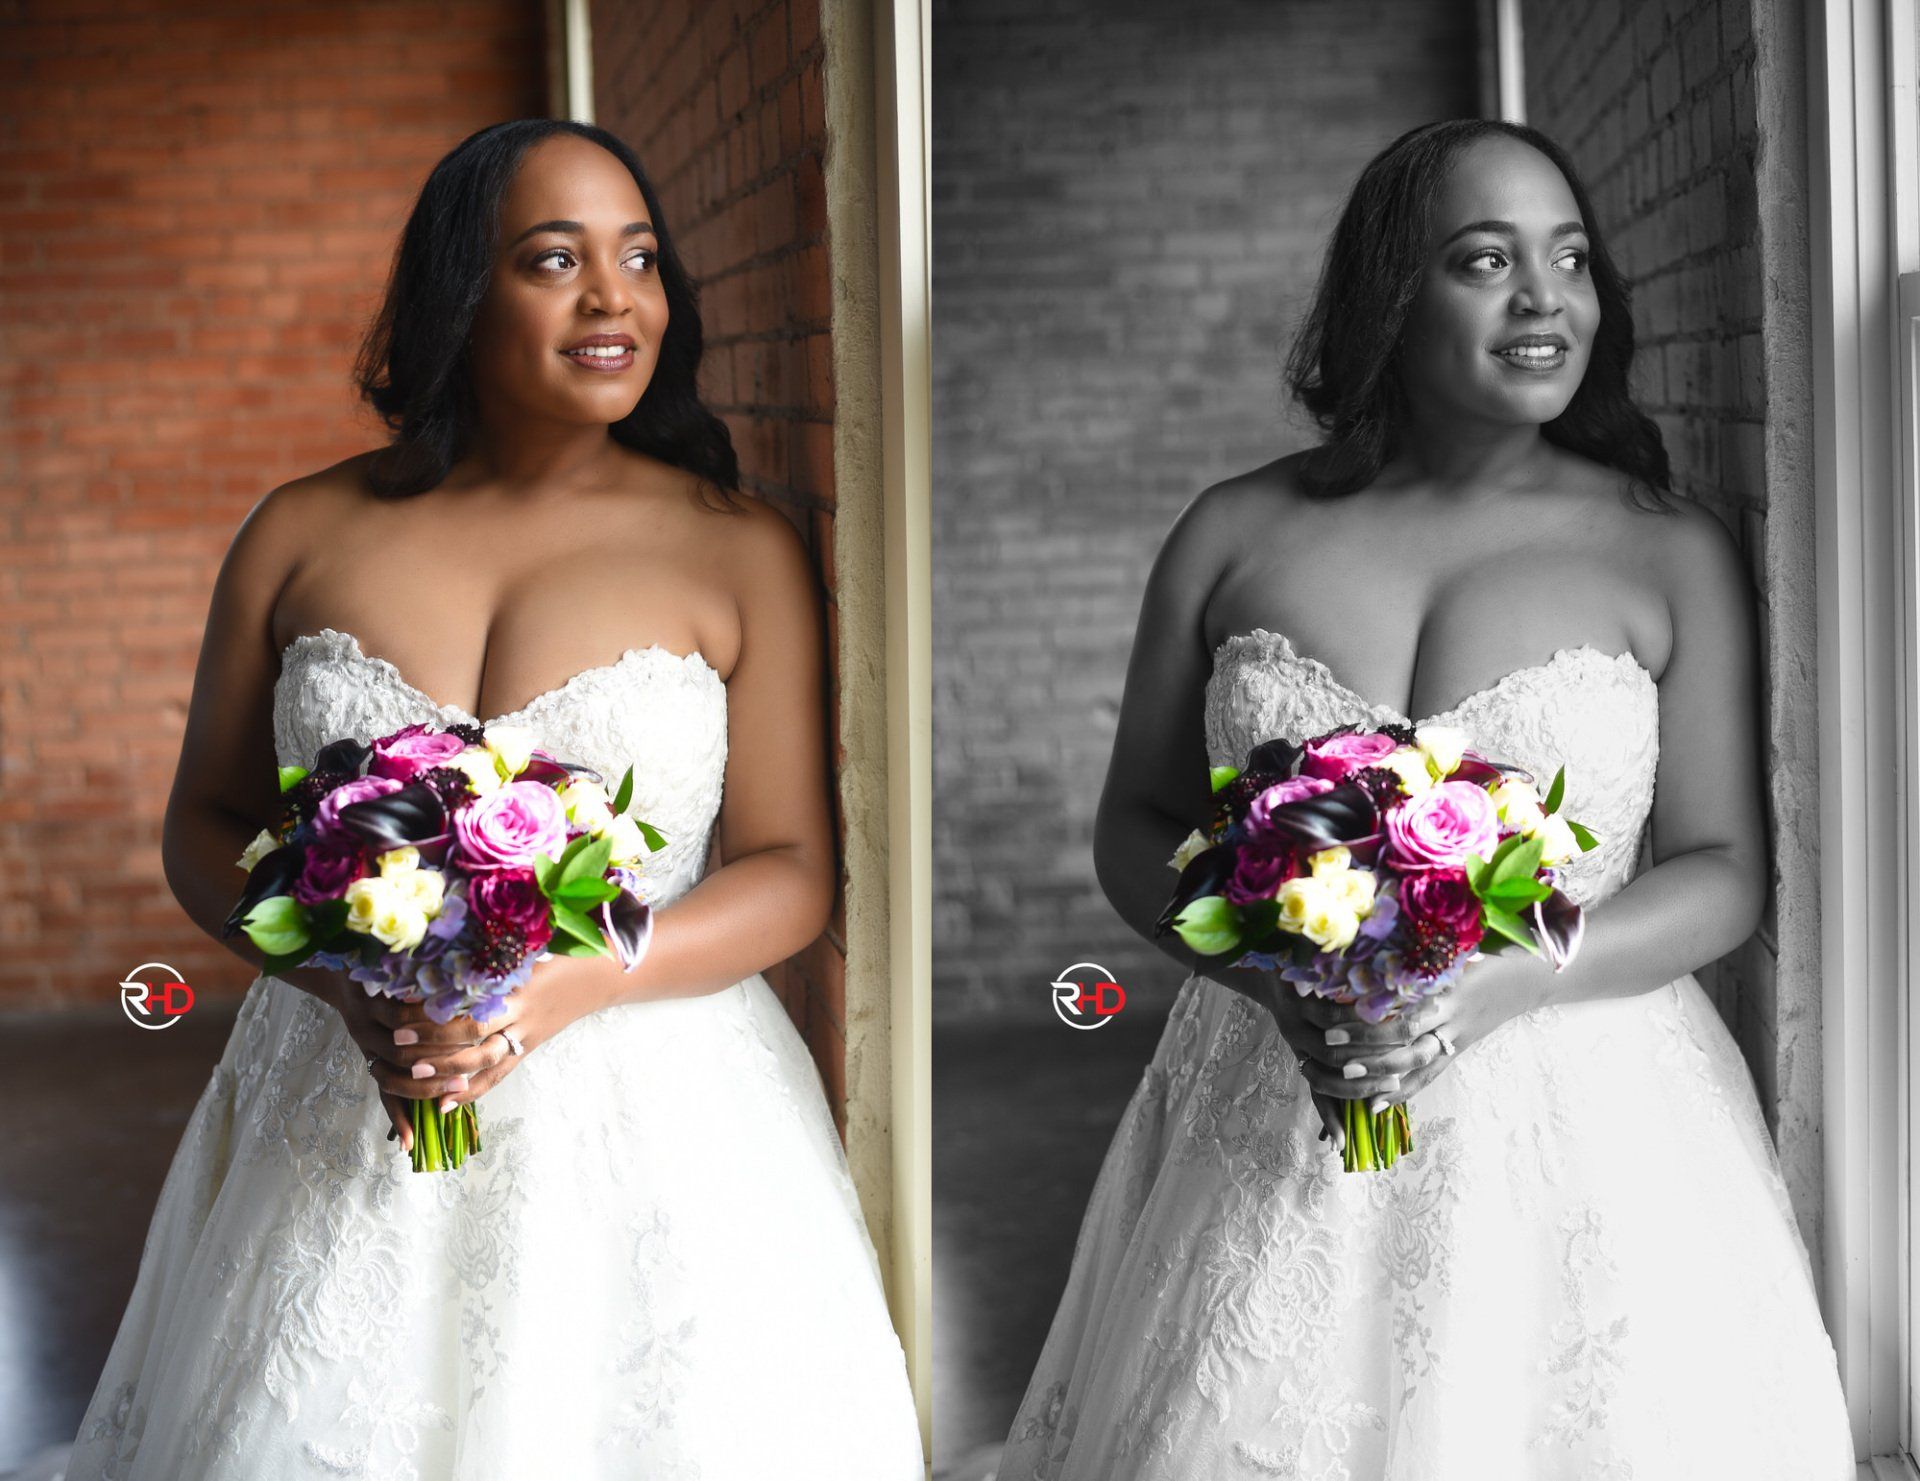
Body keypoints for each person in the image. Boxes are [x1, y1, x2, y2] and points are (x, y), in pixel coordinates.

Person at [56, 119, 924, 1481]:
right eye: (554, 259)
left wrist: (588, 966)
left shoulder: (736, 544)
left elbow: (789, 866)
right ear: (464, 290)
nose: (614, 298)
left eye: (639, 258)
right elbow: (204, 822)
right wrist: (342, 980)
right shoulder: (299, 532)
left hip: (658, 1115)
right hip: (344, 1081)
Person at [995, 120, 1856, 1480]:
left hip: (1589, 1108)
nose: (1545, 299)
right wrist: (1265, 963)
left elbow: (1720, 866)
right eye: (1485, 260)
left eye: (1570, 259)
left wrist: (1522, 966)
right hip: (1278, 1078)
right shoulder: (1232, 534)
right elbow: (1135, 820)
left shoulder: (1664, 546)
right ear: (1393, 292)